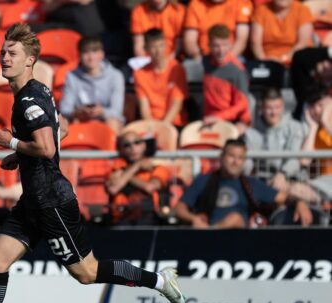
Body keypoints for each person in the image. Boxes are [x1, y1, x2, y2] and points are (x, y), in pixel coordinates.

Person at [0, 23, 186, 303]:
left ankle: (160, 282)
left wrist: (12, 142)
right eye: (3, 52)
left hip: (52, 201)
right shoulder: (38, 91)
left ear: (30, 60)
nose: (4, 58)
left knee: (87, 272)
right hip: (32, 202)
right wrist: (19, 153)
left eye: (12, 53)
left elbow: (48, 148)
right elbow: (60, 128)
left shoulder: (28, 100)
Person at [174, 139, 313, 228]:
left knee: (235, 218)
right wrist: (194, 219)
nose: (236, 161)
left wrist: (300, 203)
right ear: (222, 157)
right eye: (231, 156)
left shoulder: (251, 184)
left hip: (241, 240)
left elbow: (283, 197)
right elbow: (179, 207)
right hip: (204, 236)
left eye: (240, 158)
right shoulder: (204, 180)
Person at [244, 88, 320, 203]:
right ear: (261, 108)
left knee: (301, 194)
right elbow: (246, 164)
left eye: (277, 107)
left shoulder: (295, 128)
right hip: (263, 182)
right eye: (269, 108)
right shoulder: (250, 133)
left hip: (294, 180)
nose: (273, 112)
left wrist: (282, 175)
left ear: (283, 106)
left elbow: (295, 158)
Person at [60, 36, 125, 133]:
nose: (90, 58)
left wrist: (101, 111)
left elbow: (117, 111)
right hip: (80, 120)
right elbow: (65, 109)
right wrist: (77, 112)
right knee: (63, 123)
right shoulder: (72, 76)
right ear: (79, 55)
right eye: (86, 52)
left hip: (106, 120)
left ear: (102, 54)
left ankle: (109, 147)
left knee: (112, 123)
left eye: (94, 52)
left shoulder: (115, 76)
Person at [106, 130, 170, 225]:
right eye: (127, 145)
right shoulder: (115, 169)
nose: (133, 148)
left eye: (137, 142)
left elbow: (150, 187)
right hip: (122, 219)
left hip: (150, 220)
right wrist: (136, 166)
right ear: (121, 150)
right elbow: (113, 189)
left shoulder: (158, 169)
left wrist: (125, 175)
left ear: (144, 145)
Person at [202, 24, 252, 133]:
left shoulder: (237, 70)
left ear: (231, 44)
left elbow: (242, 104)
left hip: (230, 120)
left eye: (224, 45)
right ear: (209, 45)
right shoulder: (205, 62)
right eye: (216, 46)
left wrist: (220, 117)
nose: (220, 51)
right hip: (209, 119)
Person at [134, 28, 188, 128]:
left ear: (166, 45)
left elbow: (177, 103)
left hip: (173, 123)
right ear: (146, 49)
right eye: (153, 47)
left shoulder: (177, 69)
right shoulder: (139, 74)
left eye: (161, 45)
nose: (158, 51)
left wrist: (163, 127)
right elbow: (144, 108)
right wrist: (152, 127)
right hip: (151, 124)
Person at [183, 0, 252, 60]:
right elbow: (190, 41)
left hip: (231, 55)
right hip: (203, 56)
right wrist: (199, 58)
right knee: (190, 65)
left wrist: (227, 59)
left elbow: (241, 40)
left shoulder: (240, 2)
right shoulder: (196, 4)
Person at [250, 0, 313, 66]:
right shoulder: (261, 10)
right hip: (268, 60)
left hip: (296, 60)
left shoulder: (302, 10)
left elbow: (303, 42)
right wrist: (264, 61)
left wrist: (284, 59)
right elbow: (255, 43)